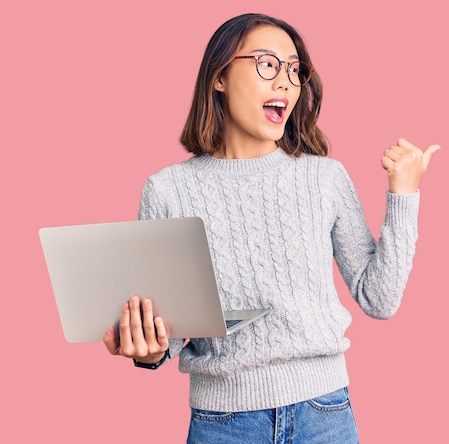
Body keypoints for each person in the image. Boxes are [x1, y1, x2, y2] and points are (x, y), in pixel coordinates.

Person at [102, 13, 439, 443]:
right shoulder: (168, 190)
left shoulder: (325, 178)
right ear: (220, 75)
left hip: (325, 415)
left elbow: (379, 298)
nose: (285, 81)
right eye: (267, 64)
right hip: (222, 424)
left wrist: (404, 195)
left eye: (294, 70)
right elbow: (173, 327)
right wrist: (150, 350)